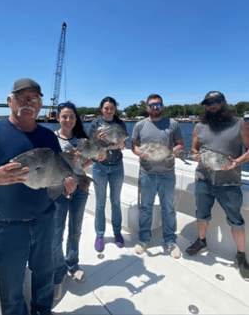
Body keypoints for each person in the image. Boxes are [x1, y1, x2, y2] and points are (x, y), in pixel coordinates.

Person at [0, 78, 77, 315]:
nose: (28, 102)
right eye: (21, 96)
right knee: (10, 287)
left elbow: (56, 175)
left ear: (40, 104)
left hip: (44, 220)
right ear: (9, 101)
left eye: (33, 97)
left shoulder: (48, 137)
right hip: (6, 225)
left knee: (44, 276)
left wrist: (67, 185)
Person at [186, 91, 249, 281]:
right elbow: (193, 150)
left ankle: (241, 255)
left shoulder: (240, 124)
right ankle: (201, 241)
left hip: (229, 182)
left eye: (216, 101)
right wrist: (195, 155)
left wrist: (237, 162)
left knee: (236, 221)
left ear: (224, 103)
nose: (212, 105)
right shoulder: (199, 126)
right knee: (201, 214)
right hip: (203, 179)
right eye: (208, 103)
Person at [52, 101, 105, 301]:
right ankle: (58, 275)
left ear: (76, 119)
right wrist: (67, 161)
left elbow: (84, 164)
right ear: (58, 118)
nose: (68, 120)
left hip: (80, 188)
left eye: (72, 117)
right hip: (59, 190)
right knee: (56, 233)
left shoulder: (82, 140)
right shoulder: (51, 138)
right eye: (64, 116)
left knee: (75, 229)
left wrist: (96, 157)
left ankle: (72, 264)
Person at [131, 94, 184, 258]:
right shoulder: (140, 125)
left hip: (167, 173)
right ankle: (143, 239)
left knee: (168, 209)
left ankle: (170, 241)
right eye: (152, 105)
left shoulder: (173, 124)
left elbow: (180, 144)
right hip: (146, 173)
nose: (155, 107)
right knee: (146, 208)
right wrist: (139, 153)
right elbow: (134, 146)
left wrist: (172, 153)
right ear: (147, 107)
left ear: (162, 106)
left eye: (158, 104)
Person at [88, 97, 127, 252]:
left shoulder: (121, 124)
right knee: (100, 203)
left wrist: (122, 145)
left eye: (111, 108)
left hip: (117, 167)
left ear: (115, 109)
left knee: (116, 201)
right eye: (106, 108)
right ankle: (100, 235)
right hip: (100, 167)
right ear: (101, 109)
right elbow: (90, 145)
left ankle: (117, 232)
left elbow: (123, 144)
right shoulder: (95, 124)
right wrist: (98, 140)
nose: (109, 111)